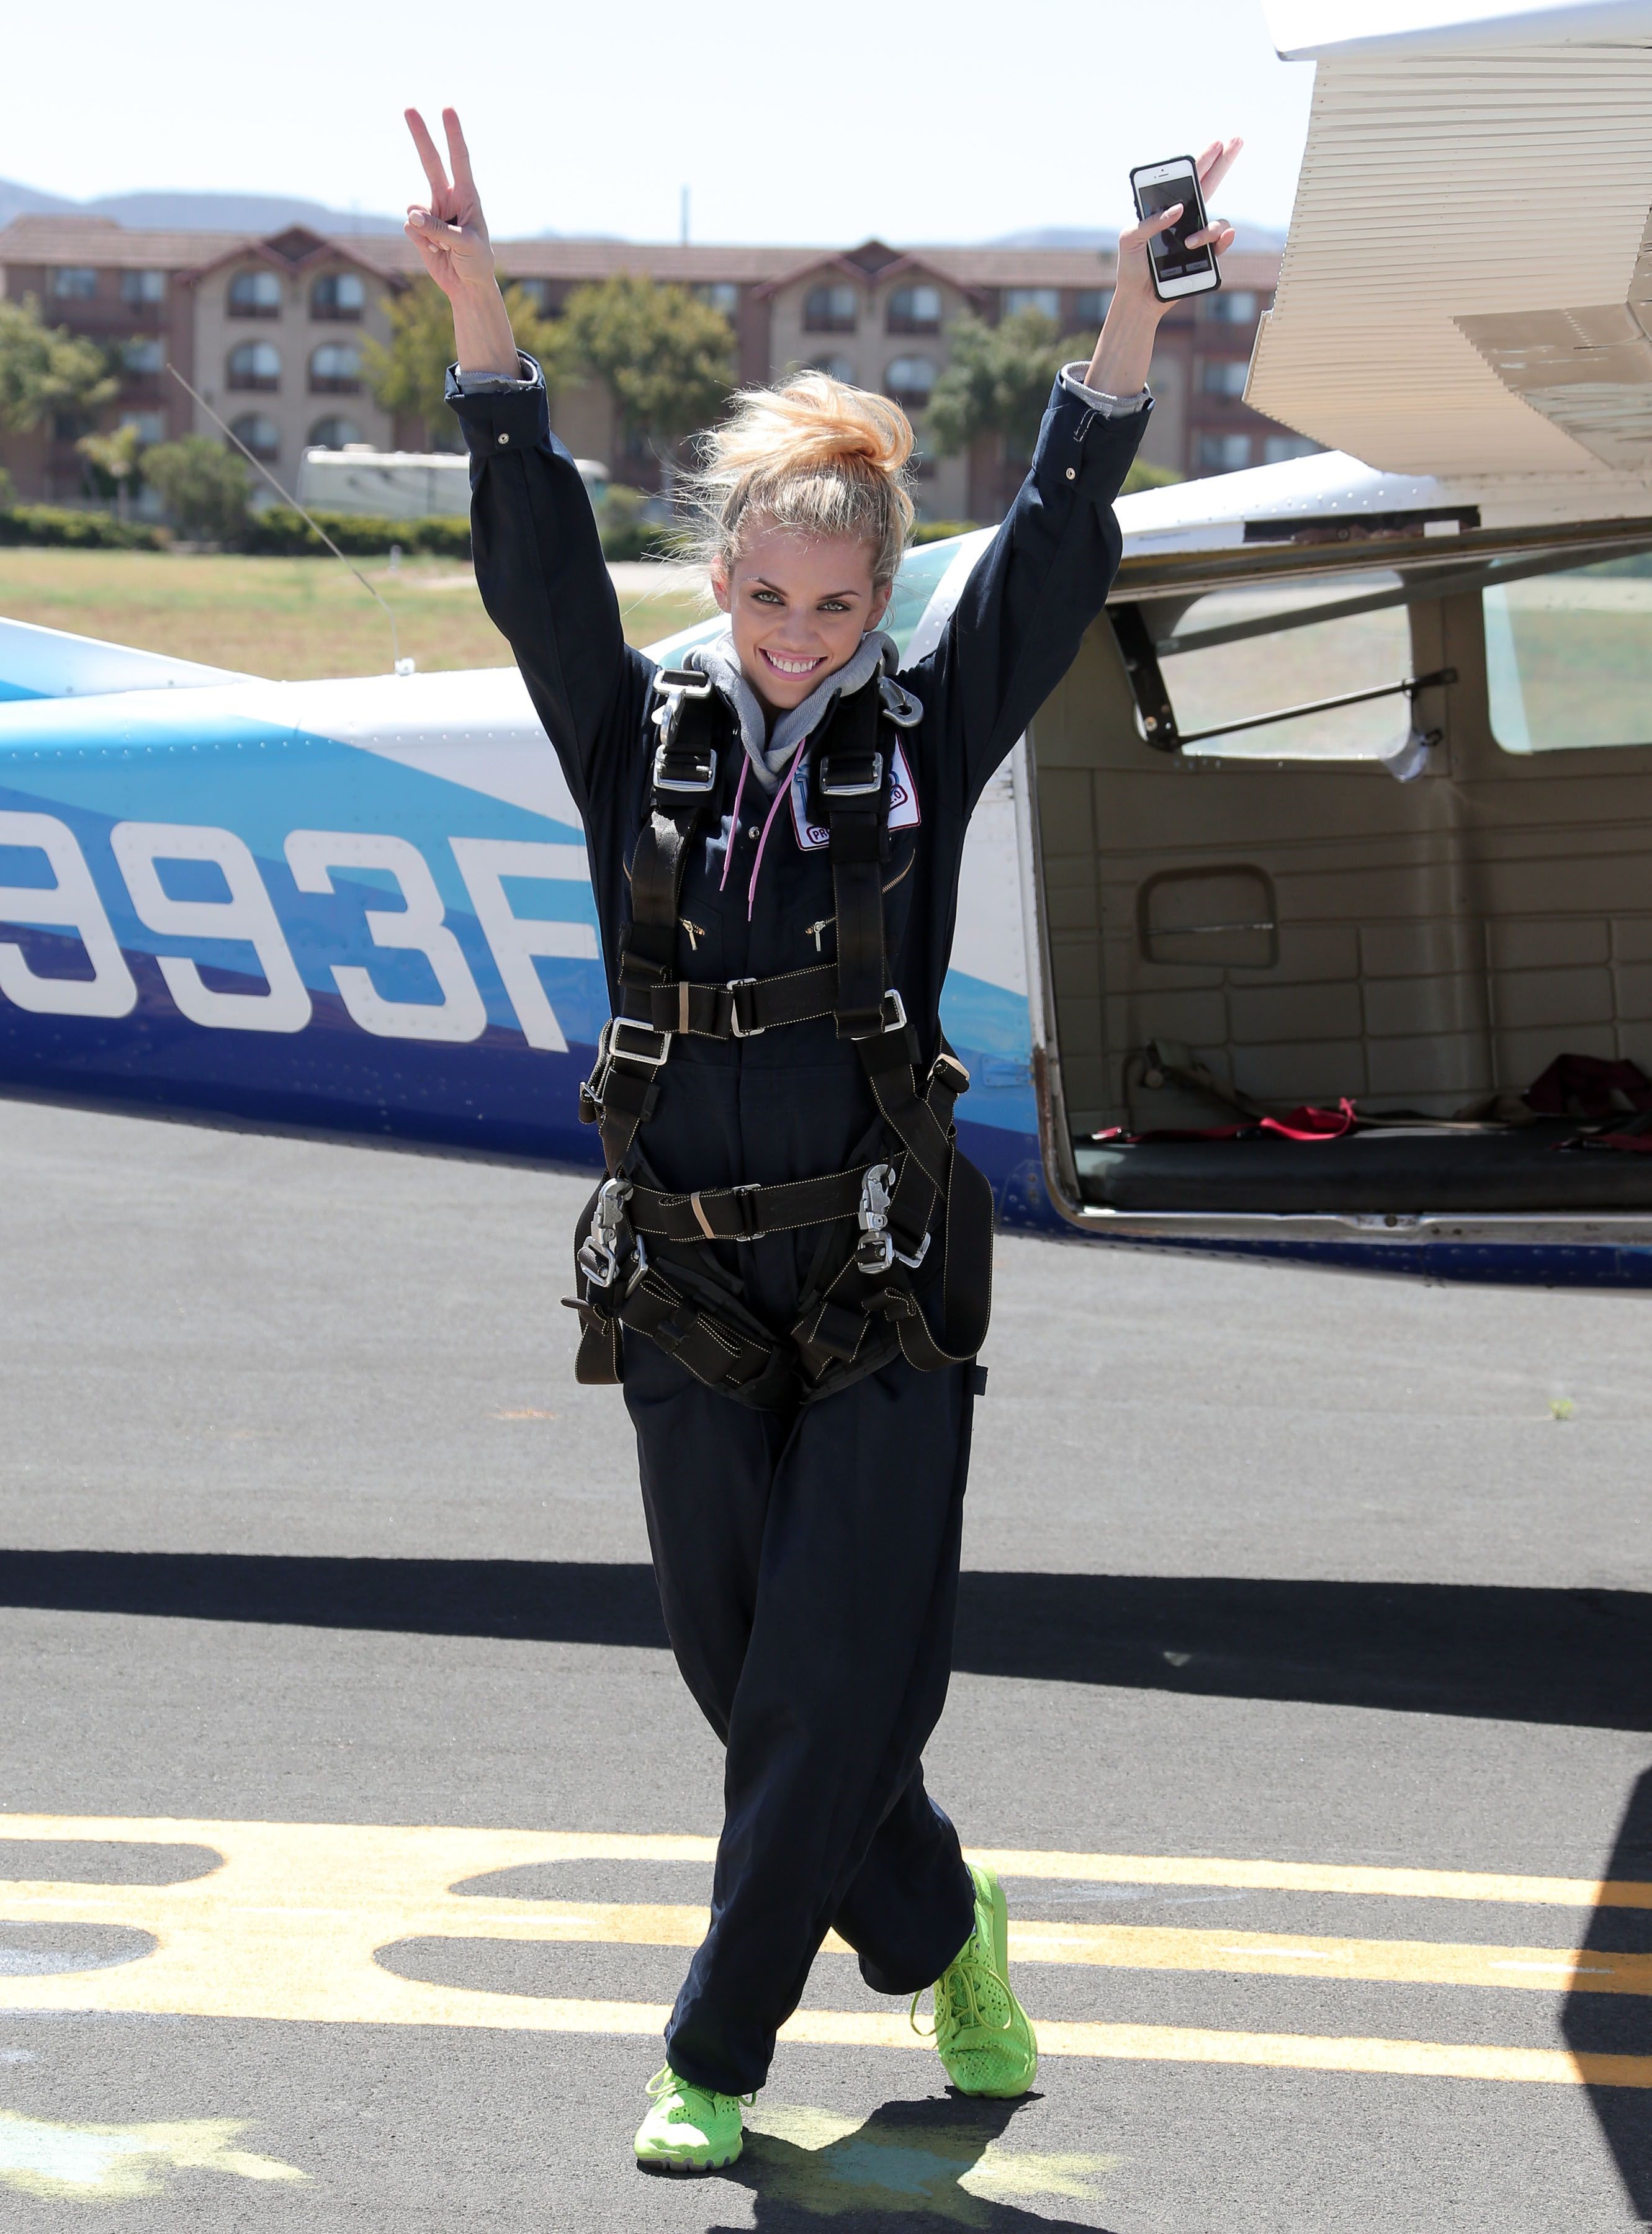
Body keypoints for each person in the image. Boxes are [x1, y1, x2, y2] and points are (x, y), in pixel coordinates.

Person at [403, 106, 1239, 2176]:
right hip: (683, 1256)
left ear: (880, 588)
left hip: (878, 1261)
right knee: (740, 1661)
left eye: (836, 601)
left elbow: (1050, 551)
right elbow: (529, 577)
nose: (796, 634)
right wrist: (478, 313)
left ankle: (714, 2050)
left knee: (827, 1672)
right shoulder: (637, 732)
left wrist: (1130, 319)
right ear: (720, 583)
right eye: (766, 597)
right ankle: (948, 1926)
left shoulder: (925, 732)